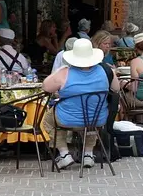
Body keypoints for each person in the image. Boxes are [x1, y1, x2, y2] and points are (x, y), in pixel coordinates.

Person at [41, 38, 119, 170]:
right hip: (97, 118)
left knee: (49, 120)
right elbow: (116, 88)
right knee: (90, 122)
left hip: (68, 119)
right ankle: (88, 154)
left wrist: (60, 71)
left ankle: (64, 154)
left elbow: (46, 87)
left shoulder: (64, 72)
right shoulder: (106, 71)